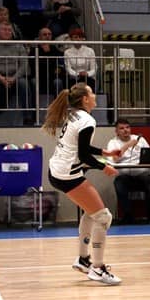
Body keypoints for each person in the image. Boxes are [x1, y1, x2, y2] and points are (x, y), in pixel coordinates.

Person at [44, 83, 122, 285]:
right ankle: (97, 268)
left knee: (91, 212)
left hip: (57, 171)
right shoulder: (87, 120)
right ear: (85, 99)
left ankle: (82, 259)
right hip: (68, 174)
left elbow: (80, 146)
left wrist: (104, 153)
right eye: (91, 93)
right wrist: (104, 167)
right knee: (103, 217)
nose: (95, 96)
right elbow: (83, 154)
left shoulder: (74, 115)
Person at [0, 21, 32, 126]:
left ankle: (28, 117)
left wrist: (13, 78)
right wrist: (0, 78)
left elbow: (24, 65)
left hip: (15, 77)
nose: (7, 32)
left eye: (9, 30)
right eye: (4, 30)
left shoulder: (19, 46)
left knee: (24, 83)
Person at [106, 118, 150, 223]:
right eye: (122, 128)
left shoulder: (140, 140)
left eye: (127, 127)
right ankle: (128, 216)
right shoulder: (113, 143)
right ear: (116, 131)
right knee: (119, 184)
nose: (125, 130)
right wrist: (127, 145)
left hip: (142, 174)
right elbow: (114, 159)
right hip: (124, 177)